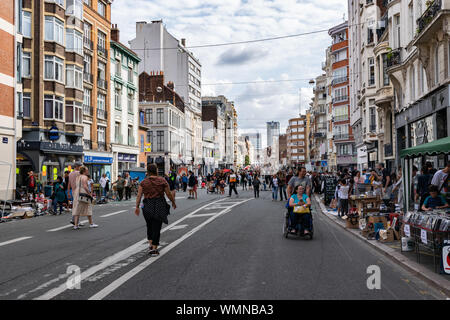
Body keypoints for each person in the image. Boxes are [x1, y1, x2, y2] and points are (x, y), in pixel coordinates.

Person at [135, 164, 176, 256]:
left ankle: (150, 244)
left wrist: (137, 207)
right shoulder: (162, 181)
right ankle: (154, 248)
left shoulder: (143, 182)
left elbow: (139, 195)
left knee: (149, 225)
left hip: (147, 205)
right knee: (157, 226)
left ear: (148, 172)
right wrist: (173, 202)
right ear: (156, 170)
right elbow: (168, 193)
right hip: (159, 204)